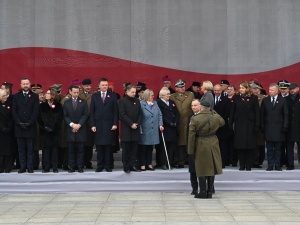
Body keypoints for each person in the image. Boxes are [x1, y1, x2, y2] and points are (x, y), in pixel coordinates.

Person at [188, 100, 224, 199]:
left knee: (201, 167)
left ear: (200, 107)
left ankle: (203, 191)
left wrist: (190, 150)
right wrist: (214, 111)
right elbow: (222, 122)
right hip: (213, 142)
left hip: (201, 142)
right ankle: (209, 191)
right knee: (211, 167)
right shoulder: (215, 116)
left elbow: (191, 136)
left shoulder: (195, 118)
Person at [229, 81, 260, 171]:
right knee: (240, 146)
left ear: (247, 89)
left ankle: (248, 165)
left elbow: (257, 113)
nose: (241, 89)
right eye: (240, 88)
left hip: (250, 126)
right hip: (239, 125)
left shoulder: (253, 98)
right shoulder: (237, 98)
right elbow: (233, 111)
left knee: (249, 147)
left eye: (243, 88)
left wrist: (257, 125)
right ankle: (242, 165)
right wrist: (230, 123)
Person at [90, 78, 118, 172]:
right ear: (99, 86)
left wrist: (115, 123)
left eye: (106, 85)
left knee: (108, 147)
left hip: (109, 125)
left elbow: (115, 111)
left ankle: (108, 165)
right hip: (98, 125)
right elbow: (92, 112)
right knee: (99, 146)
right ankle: (100, 165)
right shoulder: (95, 96)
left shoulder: (113, 96)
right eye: (103, 85)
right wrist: (92, 124)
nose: (105, 86)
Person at [12, 78, 39, 173]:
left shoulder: (35, 96)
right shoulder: (16, 97)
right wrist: (19, 122)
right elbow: (14, 111)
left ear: (30, 84)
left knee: (30, 149)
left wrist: (30, 122)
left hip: (30, 127)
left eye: (27, 83)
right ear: (20, 85)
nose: (25, 85)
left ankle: (30, 166)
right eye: (23, 84)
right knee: (21, 149)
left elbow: (36, 111)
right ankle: (22, 166)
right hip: (19, 127)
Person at [261, 83, 288, 171]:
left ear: (277, 91)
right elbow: (262, 115)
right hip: (268, 128)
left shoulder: (282, 100)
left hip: (279, 129)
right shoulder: (265, 100)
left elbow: (285, 115)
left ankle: (277, 165)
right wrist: (262, 127)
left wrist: (285, 126)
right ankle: (270, 165)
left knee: (277, 149)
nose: (270, 92)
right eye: (269, 90)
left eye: (272, 90)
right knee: (269, 148)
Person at [63, 85, 89, 173]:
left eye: (77, 92)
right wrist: (72, 124)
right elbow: (65, 116)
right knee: (71, 150)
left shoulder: (83, 102)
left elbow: (85, 115)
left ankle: (80, 166)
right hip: (71, 129)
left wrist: (79, 125)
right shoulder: (66, 103)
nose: (76, 94)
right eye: (74, 92)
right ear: (70, 91)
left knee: (81, 150)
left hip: (80, 129)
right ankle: (71, 166)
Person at [169, 79, 194, 168]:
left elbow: (193, 107)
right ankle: (180, 161)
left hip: (188, 122)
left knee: (189, 141)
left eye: (183, 86)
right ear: (176, 88)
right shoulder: (172, 96)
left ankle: (188, 160)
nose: (183, 88)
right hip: (178, 122)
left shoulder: (190, 95)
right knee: (179, 143)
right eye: (180, 87)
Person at [38, 89, 63, 173]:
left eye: (48, 93)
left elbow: (60, 118)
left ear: (53, 95)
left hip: (55, 132)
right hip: (45, 131)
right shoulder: (42, 106)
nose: (46, 94)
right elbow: (39, 118)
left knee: (55, 150)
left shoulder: (58, 105)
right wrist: (45, 127)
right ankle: (46, 166)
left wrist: (54, 128)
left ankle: (54, 166)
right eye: (46, 93)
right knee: (46, 150)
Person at [118, 85, 142, 173]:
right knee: (126, 149)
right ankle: (126, 166)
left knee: (134, 149)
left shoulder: (137, 101)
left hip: (135, 128)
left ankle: (133, 165)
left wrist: (137, 123)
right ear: (127, 92)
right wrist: (131, 124)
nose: (134, 94)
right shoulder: (122, 101)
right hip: (126, 129)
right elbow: (122, 115)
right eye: (132, 92)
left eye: (135, 92)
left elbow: (140, 114)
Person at [139, 89, 164, 171]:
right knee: (143, 148)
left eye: (153, 95)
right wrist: (140, 128)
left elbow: (160, 114)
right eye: (151, 95)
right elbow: (138, 117)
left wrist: (160, 124)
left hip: (153, 129)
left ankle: (149, 163)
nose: (153, 97)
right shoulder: (141, 104)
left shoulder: (155, 103)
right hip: (145, 129)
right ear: (147, 96)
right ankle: (142, 164)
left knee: (150, 148)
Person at [157, 87, 180, 170]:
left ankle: (169, 162)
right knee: (163, 146)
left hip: (173, 127)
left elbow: (177, 113)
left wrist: (176, 122)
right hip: (165, 127)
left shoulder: (172, 102)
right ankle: (163, 163)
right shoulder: (158, 103)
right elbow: (160, 115)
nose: (169, 95)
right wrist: (169, 123)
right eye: (167, 94)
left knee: (171, 146)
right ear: (162, 95)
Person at [213, 84, 231, 168]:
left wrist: (219, 121)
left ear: (221, 90)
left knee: (223, 146)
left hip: (222, 126)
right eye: (215, 90)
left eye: (218, 90)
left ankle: (222, 163)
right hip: (212, 127)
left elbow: (227, 113)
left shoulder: (226, 99)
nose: (216, 92)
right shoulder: (211, 99)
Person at [79, 78, 95, 169]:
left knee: (89, 144)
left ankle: (88, 162)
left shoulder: (94, 94)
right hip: (80, 122)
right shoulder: (78, 94)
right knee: (81, 144)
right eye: (86, 86)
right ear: (83, 86)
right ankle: (80, 162)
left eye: (89, 85)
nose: (88, 87)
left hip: (90, 122)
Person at [250, 81, 266, 168]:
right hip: (251, 124)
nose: (253, 90)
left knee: (260, 144)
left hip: (260, 125)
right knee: (253, 144)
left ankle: (259, 161)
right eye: (253, 88)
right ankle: (253, 160)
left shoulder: (263, 98)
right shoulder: (250, 97)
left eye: (255, 88)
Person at [284, 82, 300, 170]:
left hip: (298, 127)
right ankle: (290, 164)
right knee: (289, 147)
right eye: (290, 89)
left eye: (294, 89)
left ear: (298, 89)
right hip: (289, 126)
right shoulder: (285, 99)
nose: (292, 91)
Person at [0, 89, 14, 173]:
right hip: (1, 131)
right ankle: (1, 167)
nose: (5, 97)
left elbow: (13, 116)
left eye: (6, 95)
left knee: (9, 149)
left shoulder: (10, 104)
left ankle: (8, 167)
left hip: (9, 131)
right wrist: (2, 127)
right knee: (1, 150)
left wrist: (9, 127)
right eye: (3, 96)